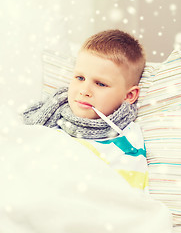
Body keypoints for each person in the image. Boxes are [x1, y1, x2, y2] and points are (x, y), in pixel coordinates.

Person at [23, 29, 147, 190]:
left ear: (129, 95)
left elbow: (125, 196)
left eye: (100, 84)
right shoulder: (52, 119)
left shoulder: (127, 141)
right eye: (80, 78)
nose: (84, 90)